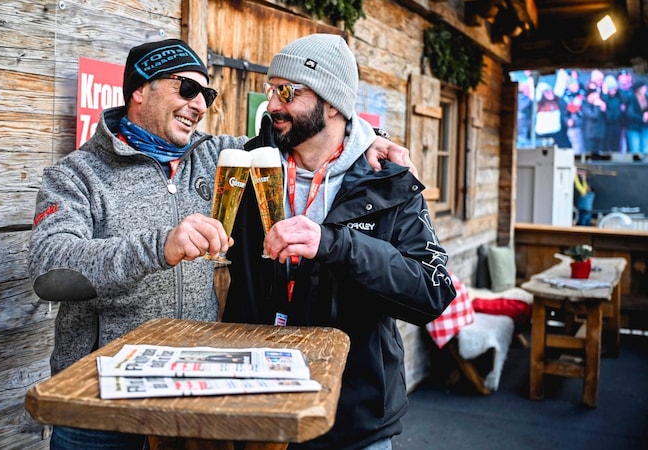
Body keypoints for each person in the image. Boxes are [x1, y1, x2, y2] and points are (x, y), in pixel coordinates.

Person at [28, 38, 417, 450]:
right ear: (139, 90)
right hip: (100, 393)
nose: (199, 104)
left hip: (193, 395)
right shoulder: (75, 175)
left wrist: (370, 139)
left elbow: (307, 134)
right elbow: (49, 271)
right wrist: (159, 247)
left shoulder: (221, 156)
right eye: (186, 88)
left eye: (206, 94)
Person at [222, 34, 456, 450]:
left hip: (353, 418)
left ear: (331, 103)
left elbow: (432, 290)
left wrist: (338, 245)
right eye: (270, 89)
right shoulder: (246, 162)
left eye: (287, 91)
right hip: (253, 407)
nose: (272, 104)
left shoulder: (386, 179)